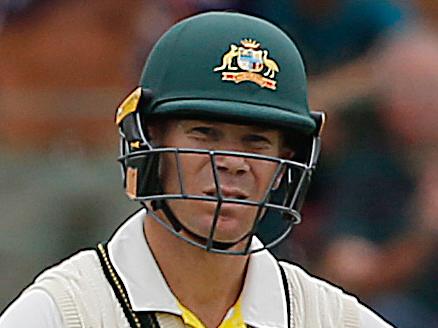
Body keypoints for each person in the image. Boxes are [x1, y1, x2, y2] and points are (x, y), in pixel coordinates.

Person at [0, 12, 393, 327]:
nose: (232, 163)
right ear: (149, 144)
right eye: (205, 134)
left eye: (256, 142)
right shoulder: (64, 313)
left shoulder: (329, 318)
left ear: (283, 166)